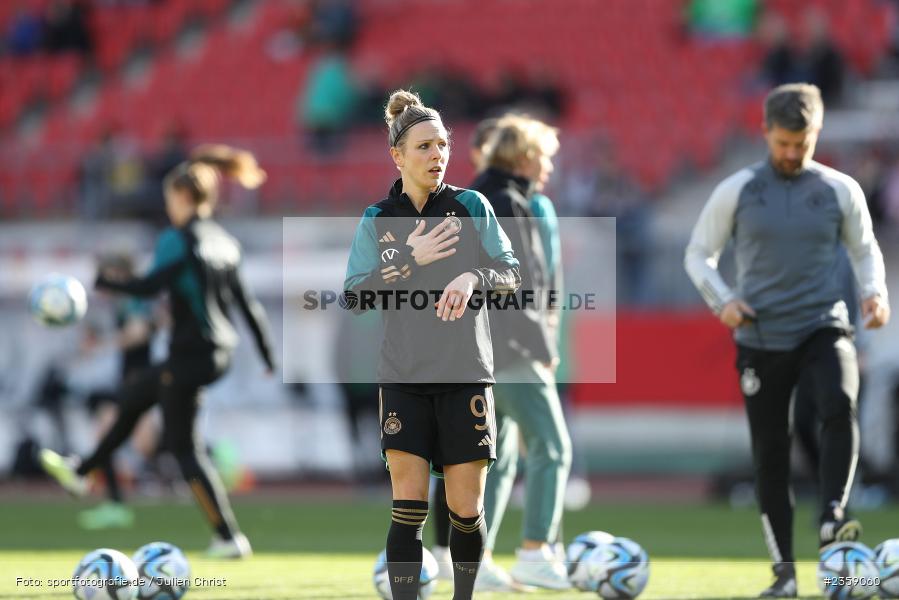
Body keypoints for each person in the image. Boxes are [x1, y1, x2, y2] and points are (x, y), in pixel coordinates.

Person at [685, 83, 890, 598]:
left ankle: (833, 516)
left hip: (824, 321)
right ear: (765, 134)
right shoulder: (738, 190)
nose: (793, 154)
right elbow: (697, 255)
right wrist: (723, 301)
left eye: (802, 143)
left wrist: (874, 293)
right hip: (761, 334)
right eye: (783, 144)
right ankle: (785, 574)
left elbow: (865, 250)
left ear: (816, 134)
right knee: (770, 456)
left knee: (840, 404)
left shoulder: (840, 190)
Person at [40, 145, 276, 559]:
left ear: (183, 197)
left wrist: (106, 281)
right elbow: (247, 305)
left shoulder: (177, 239)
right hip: (218, 353)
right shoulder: (225, 242)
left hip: (190, 353)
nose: (167, 207)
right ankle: (82, 472)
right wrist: (268, 356)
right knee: (133, 399)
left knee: (184, 447)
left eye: (169, 199)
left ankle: (227, 537)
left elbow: (151, 286)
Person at [343, 89, 520, 600]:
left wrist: (471, 276)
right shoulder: (378, 219)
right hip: (403, 377)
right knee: (408, 504)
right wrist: (409, 261)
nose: (437, 155)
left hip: (465, 372)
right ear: (397, 155)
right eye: (423, 146)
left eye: (442, 144)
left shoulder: (472, 206)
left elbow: (510, 273)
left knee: (466, 508)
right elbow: (354, 297)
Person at [470, 114, 572, 591]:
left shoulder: (471, 197)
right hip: (510, 348)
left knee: (498, 457)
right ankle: (535, 550)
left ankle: (474, 558)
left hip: (472, 349)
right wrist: (542, 344)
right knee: (552, 448)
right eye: (545, 155)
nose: (549, 166)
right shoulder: (511, 203)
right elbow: (520, 284)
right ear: (526, 155)